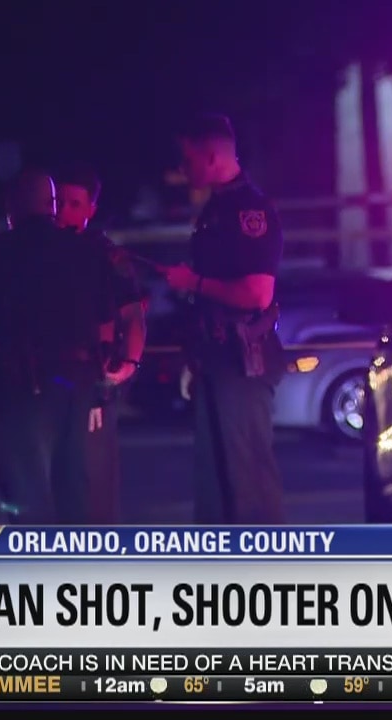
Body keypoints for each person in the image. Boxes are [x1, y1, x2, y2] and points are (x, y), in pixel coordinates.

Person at [0, 168, 118, 524]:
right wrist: (100, 379)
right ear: (53, 205)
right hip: (78, 382)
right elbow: (106, 324)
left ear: (11, 208)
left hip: (20, 384)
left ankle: (36, 558)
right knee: (75, 489)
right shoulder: (87, 251)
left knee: (26, 493)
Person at [161, 114, 286, 524]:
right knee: (215, 483)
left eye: (189, 159)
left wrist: (193, 282)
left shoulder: (249, 211)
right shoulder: (218, 207)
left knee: (246, 479)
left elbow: (257, 293)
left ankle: (264, 559)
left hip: (242, 355)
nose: (184, 169)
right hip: (216, 354)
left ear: (212, 157)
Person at [55, 166, 148, 523]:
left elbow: (133, 316)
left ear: (90, 209)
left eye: (74, 204)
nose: (64, 211)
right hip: (46, 385)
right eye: (59, 202)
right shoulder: (39, 251)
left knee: (92, 491)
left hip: (91, 383)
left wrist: (122, 370)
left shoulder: (106, 256)